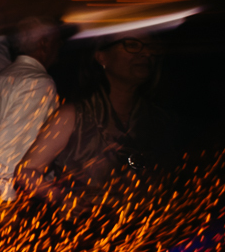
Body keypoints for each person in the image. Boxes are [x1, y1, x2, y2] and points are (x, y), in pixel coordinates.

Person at [21, 33, 174, 194]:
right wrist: (65, 200)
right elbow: (27, 171)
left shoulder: (161, 120)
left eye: (151, 47)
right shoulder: (74, 116)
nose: (147, 53)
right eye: (132, 45)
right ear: (101, 57)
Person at [0, 18, 61, 202]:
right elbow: (12, 151)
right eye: (57, 41)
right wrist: (8, 199)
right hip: (20, 193)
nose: (60, 47)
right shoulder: (39, 82)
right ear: (44, 43)